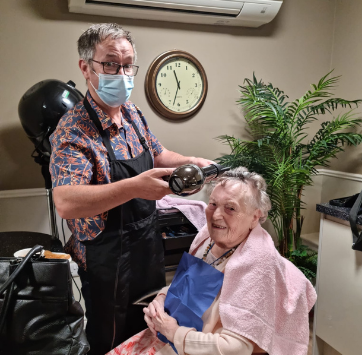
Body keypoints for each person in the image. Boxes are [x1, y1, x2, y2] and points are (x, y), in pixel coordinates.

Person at [49, 23, 213, 355]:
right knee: (107, 340)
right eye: (110, 64)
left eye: (127, 65)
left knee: (148, 327)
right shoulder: (73, 129)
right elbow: (66, 202)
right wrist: (134, 187)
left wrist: (191, 161)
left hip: (145, 250)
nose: (121, 73)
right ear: (86, 67)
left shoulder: (133, 114)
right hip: (102, 262)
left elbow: (157, 153)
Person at [107, 167, 317, 355]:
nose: (216, 215)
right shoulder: (206, 238)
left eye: (230, 208)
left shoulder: (257, 265)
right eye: (213, 204)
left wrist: (174, 333)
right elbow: (189, 284)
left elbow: (237, 348)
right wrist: (162, 299)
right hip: (176, 333)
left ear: (255, 216)